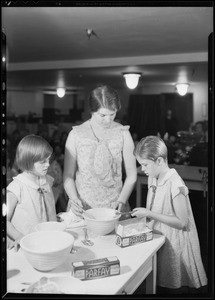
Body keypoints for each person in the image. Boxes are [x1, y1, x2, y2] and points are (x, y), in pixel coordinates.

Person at [131, 136, 207, 293]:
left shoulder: (175, 183)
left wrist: (149, 213)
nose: (142, 169)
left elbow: (182, 222)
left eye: (145, 165)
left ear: (159, 161)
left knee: (175, 287)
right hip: (162, 239)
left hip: (177, 243)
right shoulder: (154, 177)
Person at [63, 84, 137, 216]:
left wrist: (122, 199)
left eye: (112, 114)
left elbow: (131, 175)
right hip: (83, 206)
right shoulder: (76, 135)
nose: (108, 120)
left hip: (114, 206)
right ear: (91, 111)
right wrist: (74, 199)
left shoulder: (123, 133)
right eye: (102, 115)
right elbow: (68, 176)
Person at [7, 135, 57, 250]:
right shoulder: (17, 187)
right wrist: (18, 236)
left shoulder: (47, 181)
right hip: (28, 246)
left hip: (49, 241)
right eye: (43, 162)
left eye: (49, 159)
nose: (48, 164)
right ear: (28, 161)